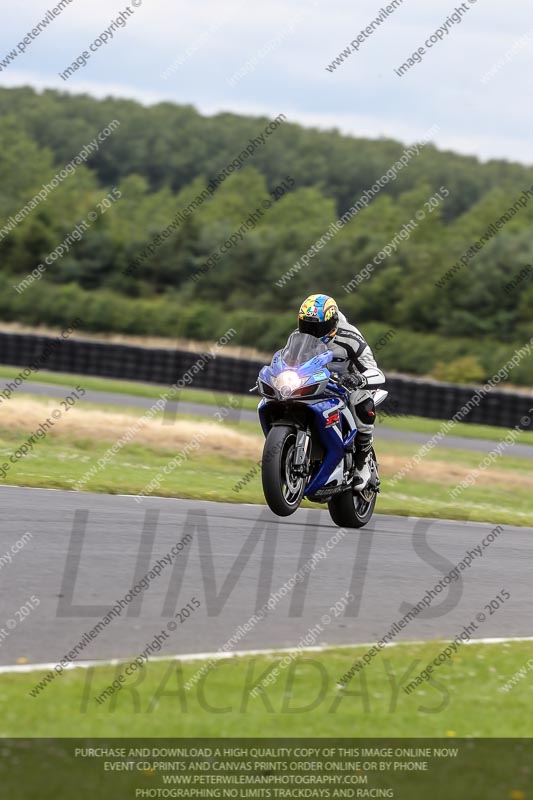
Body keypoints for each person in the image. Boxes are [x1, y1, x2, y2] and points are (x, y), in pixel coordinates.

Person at [297, 293, 385, 489]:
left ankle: (362, 461)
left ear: (332, 322)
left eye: (317, 327)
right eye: (307, 325)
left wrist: (359, 378)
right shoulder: (298, 337)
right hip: (318, 384)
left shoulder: (350, 337)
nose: (312, 332)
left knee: (360, 399)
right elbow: (289, 360)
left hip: (347, 387)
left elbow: (375, 371)